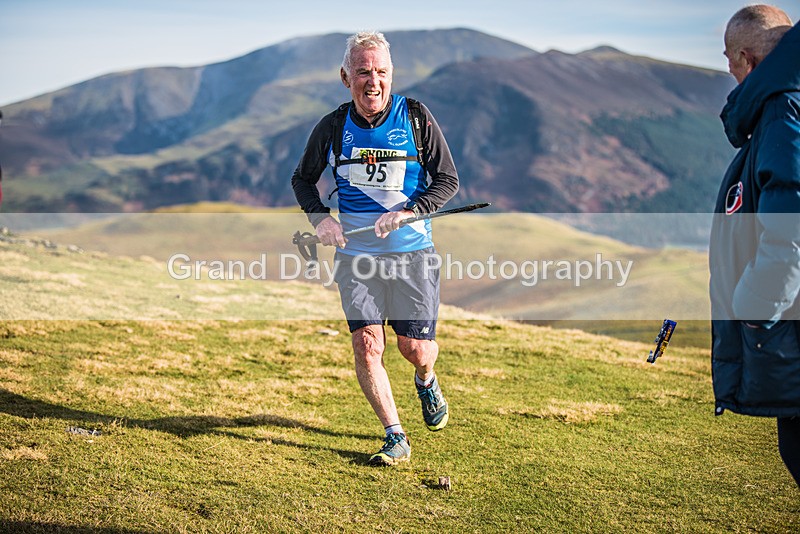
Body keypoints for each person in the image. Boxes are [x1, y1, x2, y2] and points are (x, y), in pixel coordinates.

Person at [291, 31, 459, 466]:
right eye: (363, 72)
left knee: (414, 349)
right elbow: (302, 180)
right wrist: (321, 218)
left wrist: (411, 210)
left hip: (412, 255)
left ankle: (426, 379)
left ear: (391, 74)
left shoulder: (417, 118)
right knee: (368, 345)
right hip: (356, 257)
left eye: (381, 72)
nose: (373, 81)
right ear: (345, 76)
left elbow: (448, 181)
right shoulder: (332, 126)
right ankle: (395, 436)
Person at [710, 5, 800, 487]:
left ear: (746, 58)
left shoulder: (785, 110)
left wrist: (753, 303)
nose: (728, 71)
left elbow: (792, 226)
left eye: (728, 59)